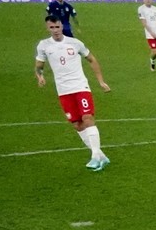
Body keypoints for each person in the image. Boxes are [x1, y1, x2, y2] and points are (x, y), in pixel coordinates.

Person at [35, 15, 110, 170]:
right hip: (63, 91)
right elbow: (39, 65)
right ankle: (101, 156)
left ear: (62, 26)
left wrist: (101, 81)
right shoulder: (43, 46)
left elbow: (92, 60)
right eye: (51, 27)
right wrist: (40, 75)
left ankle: (95, 156)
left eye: (57, 27)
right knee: (77, 124)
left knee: (87, 118)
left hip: (80, 87)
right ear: (47, 28)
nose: (55, 30)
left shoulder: (75, 43)